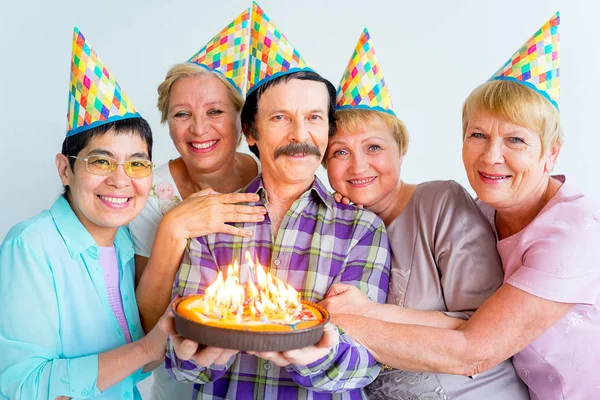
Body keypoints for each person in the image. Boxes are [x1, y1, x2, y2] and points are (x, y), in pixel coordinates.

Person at [328, 13, 600, 400]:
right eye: (478, 135)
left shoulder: (575, 231)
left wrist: (330, 324)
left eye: (516, 140)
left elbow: (474, 350)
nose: (491, 157)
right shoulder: (486, 211)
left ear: (552, 153)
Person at [161, 4, 391, 398]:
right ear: (251, 131)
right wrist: (188, 355)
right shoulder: (213, 220)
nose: (300, 134)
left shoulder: (361, 227)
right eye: (281, 118)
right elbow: (183, 357)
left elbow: (367, 360)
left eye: (314, 118)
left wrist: (315, 357)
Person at [321, 29, 528, 399]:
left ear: (401, 150)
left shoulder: (439, 202)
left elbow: (479, 328)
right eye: (339, 152)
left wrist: (368, 314)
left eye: (373, 147)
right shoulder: (338, 228)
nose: (358, 165)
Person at [0, 28, 166, 399]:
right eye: (101, 161)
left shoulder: (127, 244)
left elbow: (130, 364)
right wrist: (148, 348)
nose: (121, 180)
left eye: (137, 164)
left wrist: (178, 345)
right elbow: (24, 388)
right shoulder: (30, 247)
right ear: (65, 170)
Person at [130, 10, 265, 399]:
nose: (199, 129)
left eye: (215, 112)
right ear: (168, 124)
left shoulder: (270, 171)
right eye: (182, 115)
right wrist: (174, 229)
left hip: (268, 374)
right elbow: (142, 322)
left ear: (243, 122)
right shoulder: (149, 190)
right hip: (183, 380)